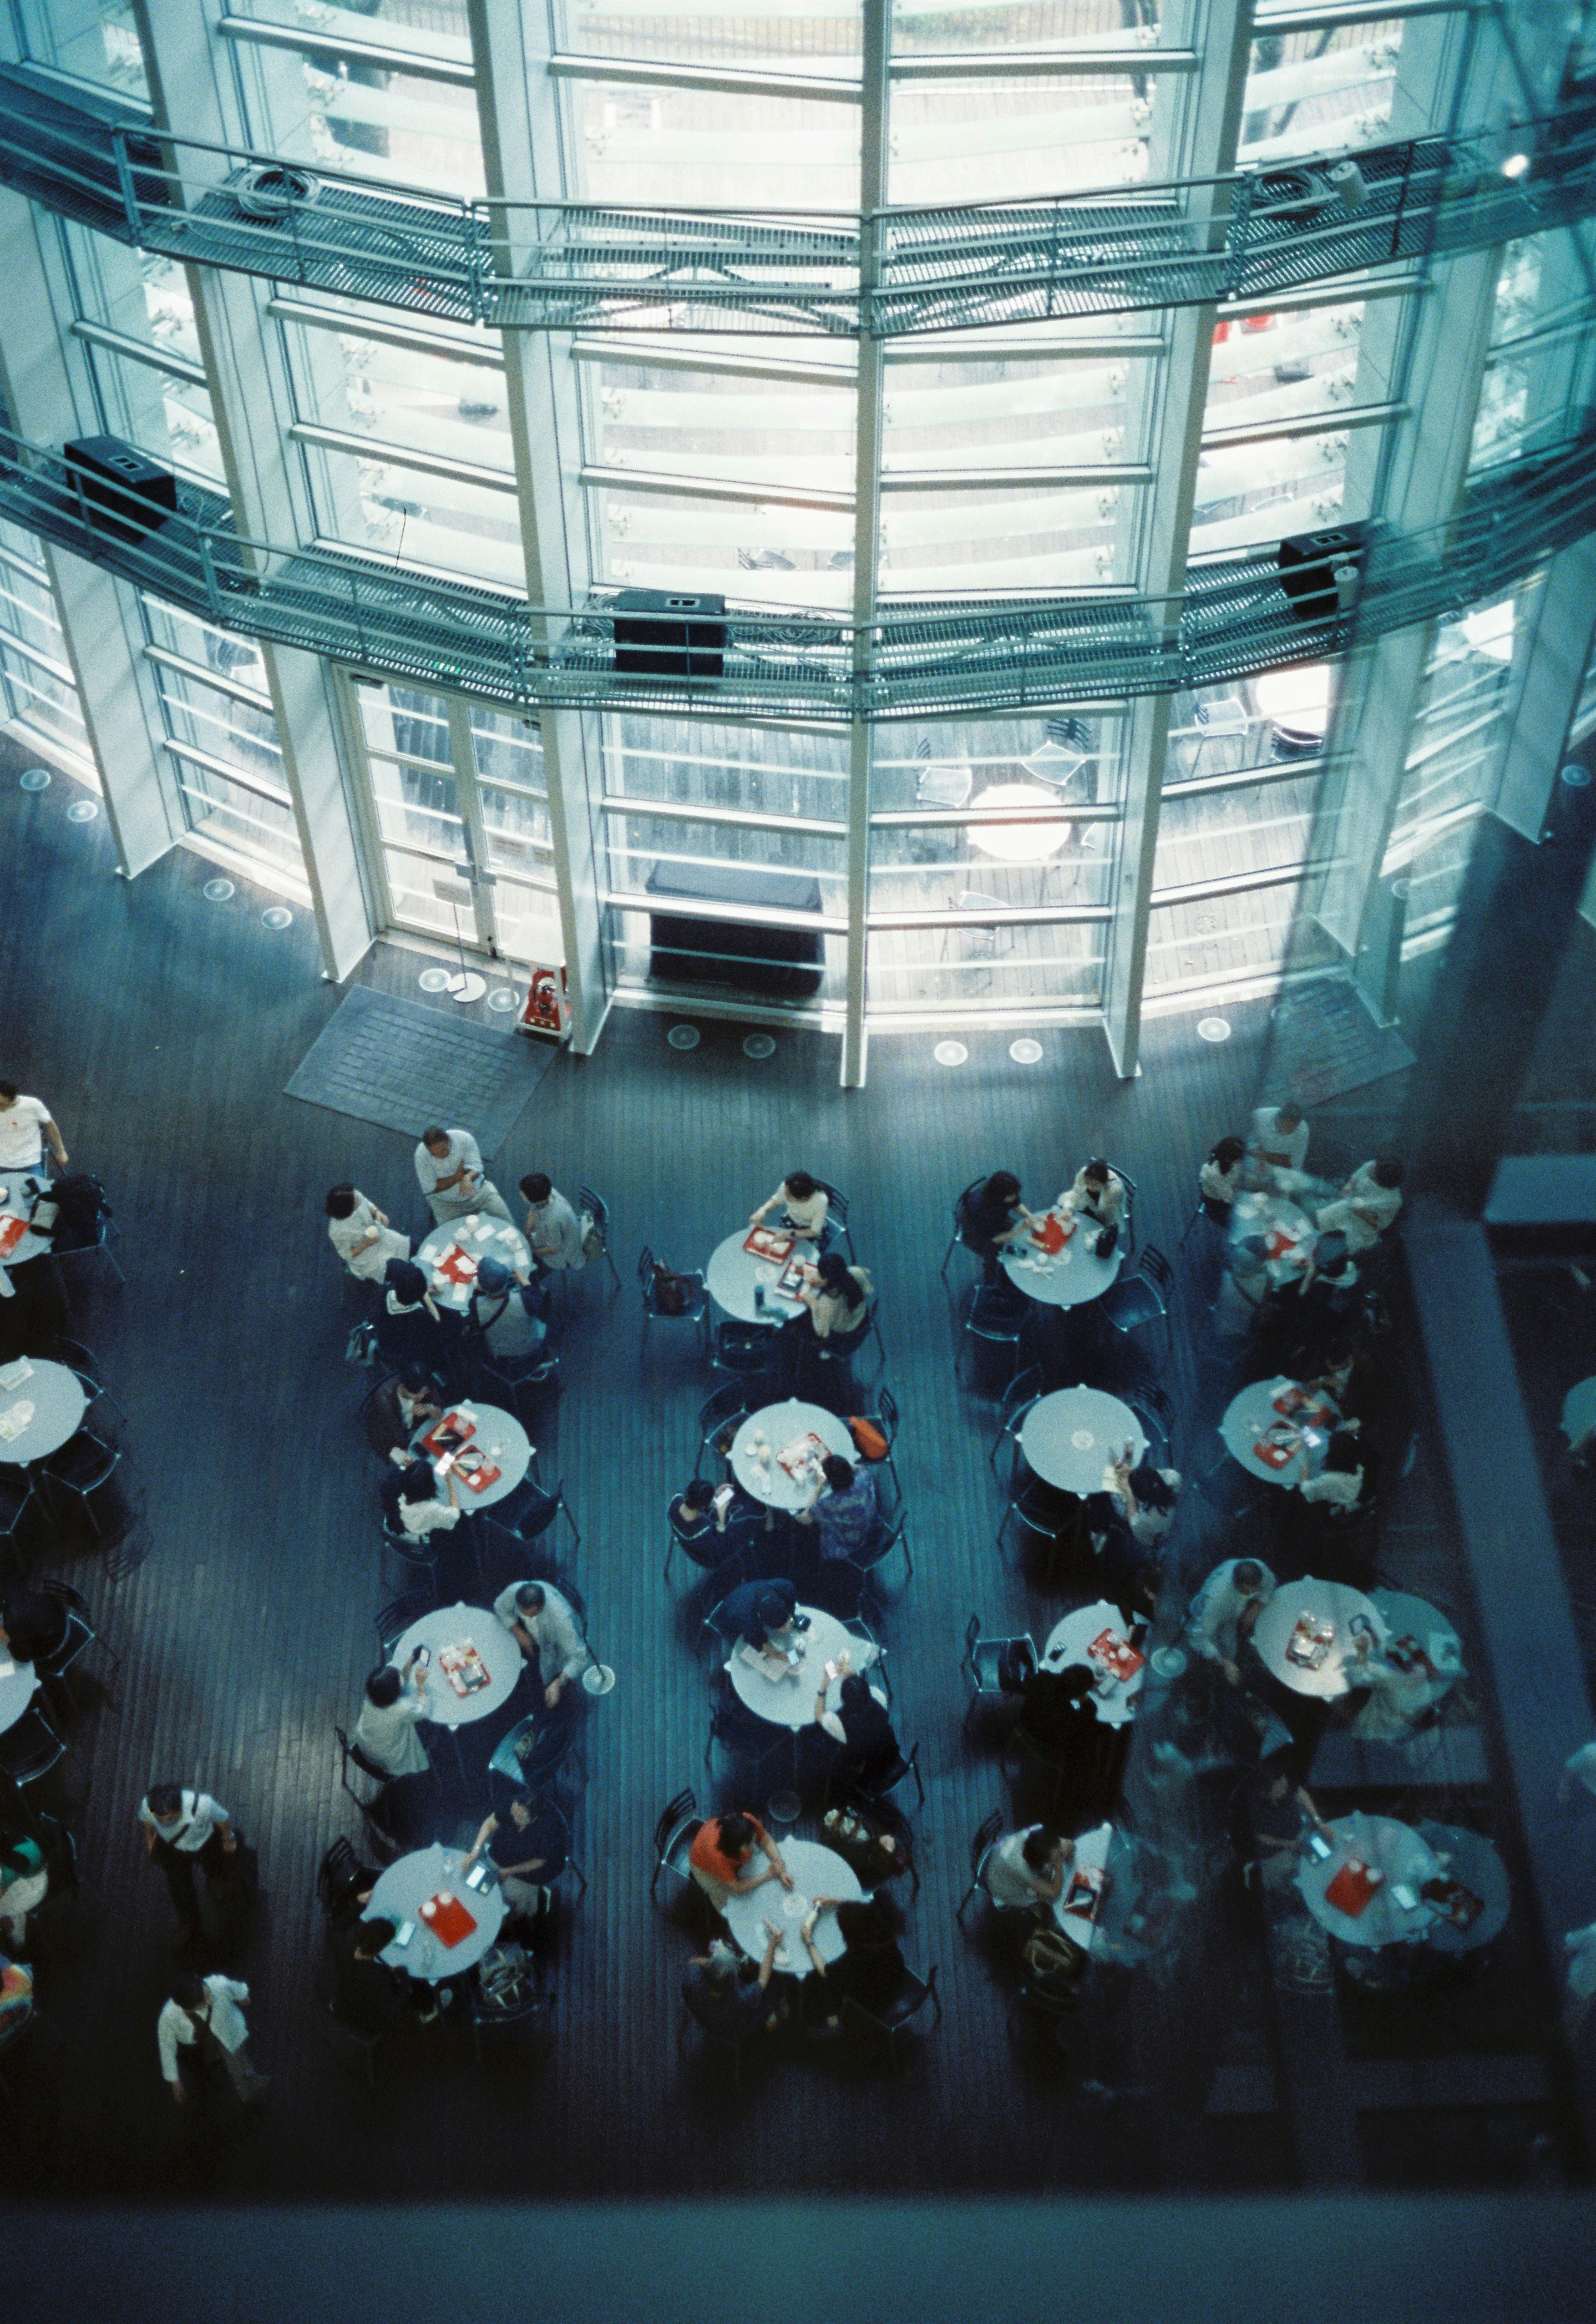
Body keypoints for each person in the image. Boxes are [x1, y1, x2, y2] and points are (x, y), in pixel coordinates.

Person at [137, 1784, 246, 1947]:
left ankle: (215, 1882)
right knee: (179, 1887)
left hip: (205, 1843)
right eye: (162, 1820)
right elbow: (148, 1823)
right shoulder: (150, 1808)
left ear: (180, 1809)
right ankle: (188, 1921)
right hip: (173, 1848)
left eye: (171, 1819)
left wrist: (227, 1839)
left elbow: (222, 1819)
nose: (166, 1824)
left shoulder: (203, 1805)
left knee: (215, 1866)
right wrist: (151, 1842)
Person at [157, 1970, 269, 2105]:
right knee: (203, 2072)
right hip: (193, 2045)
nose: (211, 1998)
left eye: (208, 1992)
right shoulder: (168, 2017)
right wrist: (175, 2081)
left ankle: (249, 2090)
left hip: (223, 2028)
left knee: (236, 2057)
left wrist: (243, 1996)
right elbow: (167, 2048)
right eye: (205, 2001)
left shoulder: (218, 1984)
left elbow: (236, 1988)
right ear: (188, 2009)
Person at [799, 1894, 907, 2030]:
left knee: (810, 1981)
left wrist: (809, 1941)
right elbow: (865, 1914)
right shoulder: (884, 1937)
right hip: (892, 1988)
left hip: (864, 2008)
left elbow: (826, 1972)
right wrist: (836, 1902)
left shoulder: (856, 1962)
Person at [492, 1579, 591, 1706]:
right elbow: (500, 1606)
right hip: (532, 1638)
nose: (527, 1618)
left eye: (532, 1616)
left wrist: (559, 1682)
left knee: (549, 1685)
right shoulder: (515, 1590)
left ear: (542, 1606)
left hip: (556, 1650)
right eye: (523, 1614)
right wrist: (518, 1631)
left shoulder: (562, 1622)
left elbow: (581, 1658)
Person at [1241, 1755, 1332, 1891]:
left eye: (1284, 1778)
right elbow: (1261, 1837)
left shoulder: (1285, 1785)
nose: (1285, 1784)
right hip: (1279, 1849)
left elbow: (1301, 1794)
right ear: (1266, 1792)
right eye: (1278, 1784)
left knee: (1326, 1853)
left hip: (1300, 1834)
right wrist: (1287, 1844)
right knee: (1298, 1879)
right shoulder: (1257, 1807)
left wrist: (1318, 1822)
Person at [682, 1927, 786, 2041]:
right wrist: (772, 1944)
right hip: (736, 2030)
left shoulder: (691, 1981)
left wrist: (715, 1963)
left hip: (706, 2020)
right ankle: (775, 2013)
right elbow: (763, 1980)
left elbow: (694, 1961)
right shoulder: (742, 1998)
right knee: (776, 1982)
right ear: (734, 1983)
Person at [462, 1789, 551, 1921]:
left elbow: (539, 1862)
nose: (515, 1816)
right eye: (516, 1808)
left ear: (533, 1819)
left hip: (521, 1873)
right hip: (496, 1857)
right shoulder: (512, 1806)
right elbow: (490, 1823)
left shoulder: (544, 1831)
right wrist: (476, 1850)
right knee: (472, 1882)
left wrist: (509, 1871)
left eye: (521, 1817)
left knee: (507, 1904)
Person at [327, 1916, 423, 2035]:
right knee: (414, 1989)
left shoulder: (343, 1948)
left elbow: (333, 1932)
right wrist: (405, 1980)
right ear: (382, 1948)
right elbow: (391, 2013)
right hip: (365, 2022)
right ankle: (426, 2011)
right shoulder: (379, 1979)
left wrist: (358, 1904)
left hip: (343, 2004)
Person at [1185, 1557, 1276, 1683]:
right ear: (1241, 1586)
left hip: (1231, 1617)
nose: (1259, 1589)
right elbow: (1199, 1638)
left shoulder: (1258, 1569)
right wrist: (1224, 1662)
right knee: (1212, 1651)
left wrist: (1257, 1606)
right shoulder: (1217, 1601)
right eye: (1254, 1588)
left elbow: (1270, 1582)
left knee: (1230, 1645)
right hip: (1206, 1621)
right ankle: (1209, 1675)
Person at [813, 1665, 901, 1793]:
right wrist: (852, 1675)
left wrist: (823, 1687)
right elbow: (864, 1689)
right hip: (891, 1752)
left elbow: (819, 1715)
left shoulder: (840, 1725)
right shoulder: (878, 1697)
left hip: (870, 1770)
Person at [687, 1809, 792, 1911]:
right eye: (749, 1846)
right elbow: (737, 1887)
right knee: (728, 1902)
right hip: (704, 1866)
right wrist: (768, 1874)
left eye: (753, 1841)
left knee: (755, 1876)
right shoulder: (719, 1857)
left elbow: (766, 1841)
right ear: (734, 1849)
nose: (754, 1847)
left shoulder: (747, 1822)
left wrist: (781, 1870)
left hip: (720, 1847)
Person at [414, 1125, 512, 1227]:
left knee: (507, 1222)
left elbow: (477, 1167)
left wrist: (467, 1178)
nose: (440, 1157)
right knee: (453, 1242)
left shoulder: (464, 1138)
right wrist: (458, 1176)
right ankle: (457, 1244)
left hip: (480, 1192)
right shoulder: (421, 1155)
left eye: (443, 1150)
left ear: (448, 1141)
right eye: (434, 1155)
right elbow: (430, 1187)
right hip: (447, 1204)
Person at [352, 1656, 431, 1778]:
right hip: (388, 1758)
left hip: (366, 1745)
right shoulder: (402, 1710)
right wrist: (421, 1686)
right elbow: (424, 1711)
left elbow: (396, 1684)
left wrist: (409, 1662)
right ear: (395, 1692)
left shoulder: (373, 1695)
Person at [375, 1256, 452, 1373]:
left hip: (386, 1339)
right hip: (409, 1352)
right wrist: (426, 1296)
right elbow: (436, 1320)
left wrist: (422, 1293)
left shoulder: (385, 1292)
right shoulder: (419, 1317)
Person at [798, 1452, 879, 1562]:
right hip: (872, 1522)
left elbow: (807, 1516)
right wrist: (840, 1470)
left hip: (852, 1541)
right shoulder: (863, 1476)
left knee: (803, 1520)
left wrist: (820, 1486)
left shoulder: (831, 1503)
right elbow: (858, 1467)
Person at [1315, 1157, 1403, 1254]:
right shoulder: (1374, 1165)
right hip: (1346, 1205)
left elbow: (1380, 1225)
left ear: (1379, 1180)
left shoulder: (1393, 1201)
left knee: (1332, 1248)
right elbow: (1357, 1176)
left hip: (1362, 1225)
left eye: (1373, 1172)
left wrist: (1361, 1213)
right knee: (1318, 1222)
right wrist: (1349, 1186)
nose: (1370, 1168)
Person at [362, 1364, 443, 1466]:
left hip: (414, 1427)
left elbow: (439, 1408)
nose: (421, 1397)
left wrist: (430, 1407)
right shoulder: (384, 1402)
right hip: (388, 1438)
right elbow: (397, 1437)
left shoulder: (426, 1384)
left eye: (425, 1392)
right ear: (403, 1386)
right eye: (416, 1394)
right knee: (413, 1464)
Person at [325, 1183, 409, 1282]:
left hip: (383, 1237)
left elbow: (366, 1203)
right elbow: (347, 1254)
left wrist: (377, 1213)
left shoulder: (353, 1196)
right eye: (355, 1199)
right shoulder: (337, 1232)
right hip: (368, 1258)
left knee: (414, 1248)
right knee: (403, 1270)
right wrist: (368, 1243)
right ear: (348, 1208)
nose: (358, 1196)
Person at [1014, 1661, 1099, 1756]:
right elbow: (1087, 1717)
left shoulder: (1042, 1678)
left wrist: (1082, 1685)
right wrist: (1086, 1700)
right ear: (1077, 1696)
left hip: (1025, 1719)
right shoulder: (1066, 1716)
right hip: (1045, 1744)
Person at [1101, 1449, 1182, 1549]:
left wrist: (1129, 1492)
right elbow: (1152, 1475)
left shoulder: (1143, 1521)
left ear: (1139, 1497)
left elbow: (1133, 1520)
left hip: (1150, 1535)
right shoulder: (1174, 1477)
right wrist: (1130, 1471)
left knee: (1110, 1492)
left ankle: (1099, 1528)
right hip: (1169, 1516)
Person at [958, 1170, 1031, 1280]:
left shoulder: (1003, 1194)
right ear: (1000, 1196)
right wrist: (1019, 1230)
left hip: (997, 1219)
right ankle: (992, 1278)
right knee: (997, 1255)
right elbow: (995, 1240)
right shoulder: (982, 1208)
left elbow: (1015, 1204)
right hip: (978, 1234)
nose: (1015, 1197)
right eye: (1012, 1195)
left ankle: (1016, 1254)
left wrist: (1029, 1216)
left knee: (1020, 1241)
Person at [985, 1823, 1074, 1912]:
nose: (1061, 1852)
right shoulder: (1023, 1869)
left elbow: (1069, 1845)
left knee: (1051, 1877)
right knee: (1051, 1898)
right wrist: (1058, 1863)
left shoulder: (1039, 1833)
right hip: (1002, 1884)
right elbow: (1055, 1892)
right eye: (1054, 1858)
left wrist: (1059, 1853)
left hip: (1003, 1858)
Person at [669, 1476, 758, 1560]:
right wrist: (722, 1520)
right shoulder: (703, 1531)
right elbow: (719, 1548)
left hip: (689, 1540)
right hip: (710, 1556)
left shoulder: (676, 1499)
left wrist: (714, 1494)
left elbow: (698, 1505)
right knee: (744, 1524)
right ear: (703, 1507)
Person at [717, 1576, 801, 1661]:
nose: (784, 1630)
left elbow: (792, 1605)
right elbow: (759, 1643)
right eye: (779, 1628)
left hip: (746, 1595)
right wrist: (778, 1655)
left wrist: (791, 1619)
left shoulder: (786, 1587)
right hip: (728, 1620)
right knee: (745, 1657)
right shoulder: (747, 1619)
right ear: (759, 1617)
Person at [519, 1173, 585, 1278]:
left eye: (524, 1194)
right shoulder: (548, 1193)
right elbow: (533, 1210)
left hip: (563, 1254)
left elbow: (553, 1248)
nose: (521, 1194)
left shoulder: (553, 1220)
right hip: (552, 1236)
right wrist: (527, 1235)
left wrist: (532, 1251)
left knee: (527, 1273)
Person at [0, 1081, 67, 1175]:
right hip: (2, 1166)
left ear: (12, 1097)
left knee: (38, 1190)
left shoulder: (33, 1105)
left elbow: (51, 1126)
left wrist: (61, 1151)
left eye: (1, 1104)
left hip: (31, 1165)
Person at [390, 1458, 463, 1542]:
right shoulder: (429, 1509)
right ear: (429, 1488)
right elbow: (455, 1515)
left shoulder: (397, 1487)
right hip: (418, 1537)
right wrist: (450, 1481)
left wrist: (413, 1470)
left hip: (400, 1524)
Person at [0, 1829, 47, 1951]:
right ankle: (16, 1912)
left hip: (33, 1887)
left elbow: (1, 1891)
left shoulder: (12, 1864)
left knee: (1, 1910)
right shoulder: (8, 1837)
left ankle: (17, 1940)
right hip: (28, 1871)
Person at [749, 1171, 829, 1241]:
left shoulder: (821, 1201)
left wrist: (791, 1233)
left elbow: (814, 1232)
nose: (785, 1194)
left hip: (809, 1228)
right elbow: (776, 1200)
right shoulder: (788, 1187)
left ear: (803, 1199)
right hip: (792, 1219)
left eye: (788, 1195)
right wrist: (763, 1210)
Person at [1297, 1428, 1366, 1509]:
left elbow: (1305, 1488)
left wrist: (1305, 1458)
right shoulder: (1356, 1465)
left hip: (1335, 1505)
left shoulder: (1331, 1479)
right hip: (1351, 1493)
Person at [0, 1587, 69, 1667]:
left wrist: (5, 1637)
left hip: (53, 1641)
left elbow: (23, 1656)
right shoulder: (18, 1599)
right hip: (55, 1614)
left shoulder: (28, 1645)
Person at [1058, 1157, 1127, 1237]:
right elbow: (1076, 1194)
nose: (1090, 1187)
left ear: (1104, 1182)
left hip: (1109, 1213)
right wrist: (1068, 1209)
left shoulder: (1114, 1190)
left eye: (1095, 1185)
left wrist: (1095, 1234)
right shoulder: (1084, 1174)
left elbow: (1108, 1219)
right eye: (1088, 1183)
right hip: (1090, 1206)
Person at [1246, 1101, 1309, 1183]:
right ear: (1280, 1119)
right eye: (1286, 1126)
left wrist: (1292, 1180)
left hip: (1282, 1167)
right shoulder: (1259, 1117)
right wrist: (1259, 1157)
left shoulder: (1303, 1131)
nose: (1288, 1132)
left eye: (1293, 1129)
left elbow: (1297, 1161)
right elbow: (1248, 1142)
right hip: (1257, 1159)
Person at [1199, 1135, 1246, 1221]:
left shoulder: (1231, 1160)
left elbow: (1238, 1178)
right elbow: (1230, 1199)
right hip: (1218, 1205)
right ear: (1228, 1159)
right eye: (1238, 1160)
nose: (1241, 1162)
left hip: (1230, 1191)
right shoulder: (1211, 1172)